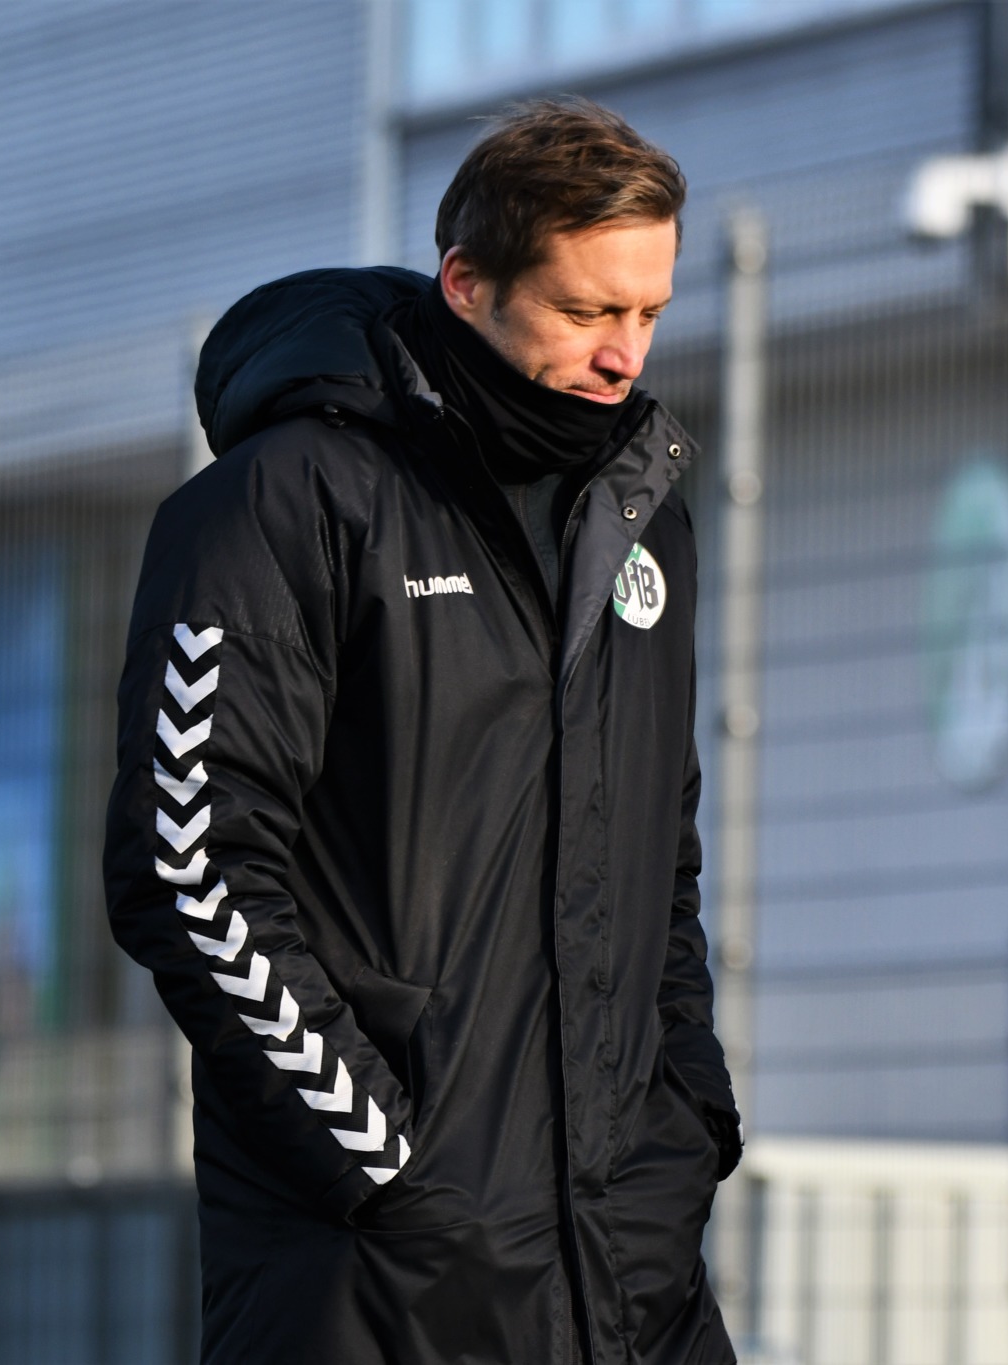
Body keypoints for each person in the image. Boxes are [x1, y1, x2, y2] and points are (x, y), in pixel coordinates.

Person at [103, 97, 739, 1365]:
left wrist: (685, 1120)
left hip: (628, 1255)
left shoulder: (638, 514)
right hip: (380, 1271)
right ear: (465, 283)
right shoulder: (283, 505)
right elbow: (189, 863)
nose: (625, 356)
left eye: (648, 313)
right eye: (583, 311)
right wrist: (383, 1166)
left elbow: (655, 858)